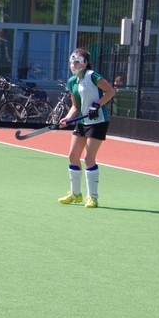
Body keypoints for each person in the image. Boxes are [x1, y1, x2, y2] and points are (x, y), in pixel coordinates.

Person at [56, 48, 116, 208]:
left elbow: (110, 91)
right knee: (73, 156)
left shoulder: (92, 76)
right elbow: (75, 106)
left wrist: (97, 105)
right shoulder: (72, 81)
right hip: (82, 122)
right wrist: (67, 118)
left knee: (89, 158)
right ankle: (75, 194)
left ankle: (93, 197)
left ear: (85, 63)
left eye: (77, 61)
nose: (74, 64)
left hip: (98, 121)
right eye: (72, 62)